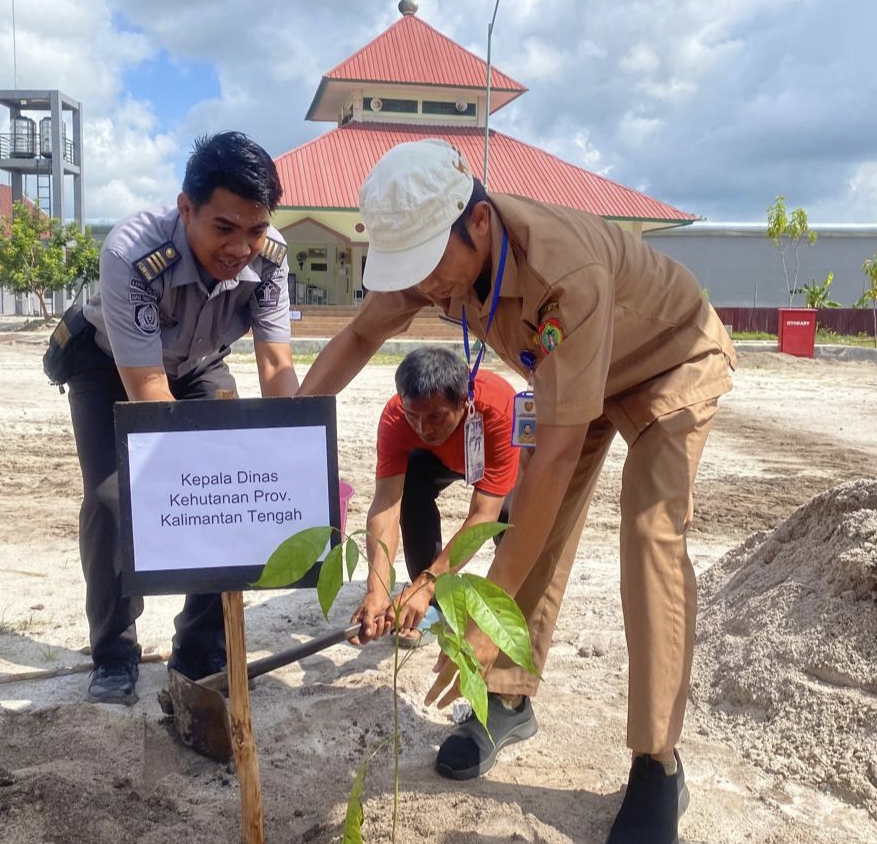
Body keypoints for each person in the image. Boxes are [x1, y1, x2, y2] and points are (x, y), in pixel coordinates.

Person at [297, 139, 736, 844]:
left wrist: (479, 629)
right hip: (572, 378)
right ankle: (505, 702)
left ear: (478, 221)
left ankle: (658, 761)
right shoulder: (428, 259)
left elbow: (552, 462)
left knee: (650, 534)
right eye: (411, 272)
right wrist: (278, 435)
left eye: (430, 268)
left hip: (668, 360)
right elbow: (356, 338)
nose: (425, 289)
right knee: (534, 530)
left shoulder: (566, 273)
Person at [56, 131, 298, 706]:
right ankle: (113, 651)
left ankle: (199, 644)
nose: (240, 247)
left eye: (255, 229)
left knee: (234, 489)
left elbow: (276, 367)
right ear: (186, 207)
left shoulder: (269, 257)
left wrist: (293, 458)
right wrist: (193, 479)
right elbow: (148, 391)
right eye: (224, 227)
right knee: (113, 500)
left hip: (200, 363)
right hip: (111, 366)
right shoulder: (131, 252)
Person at [350, 347, 518, 648]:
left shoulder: (498, 411)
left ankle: (510, 595)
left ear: (464, 402)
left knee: (514, 517)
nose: (423, 428)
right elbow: (386, 505)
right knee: (411, 485)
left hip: (494, 454)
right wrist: (377, 588)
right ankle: (429, 606)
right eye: (413, 416)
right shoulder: (395, 417)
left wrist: (427, 585)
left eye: (436, 416)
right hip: (436, 459)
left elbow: (483, 516)